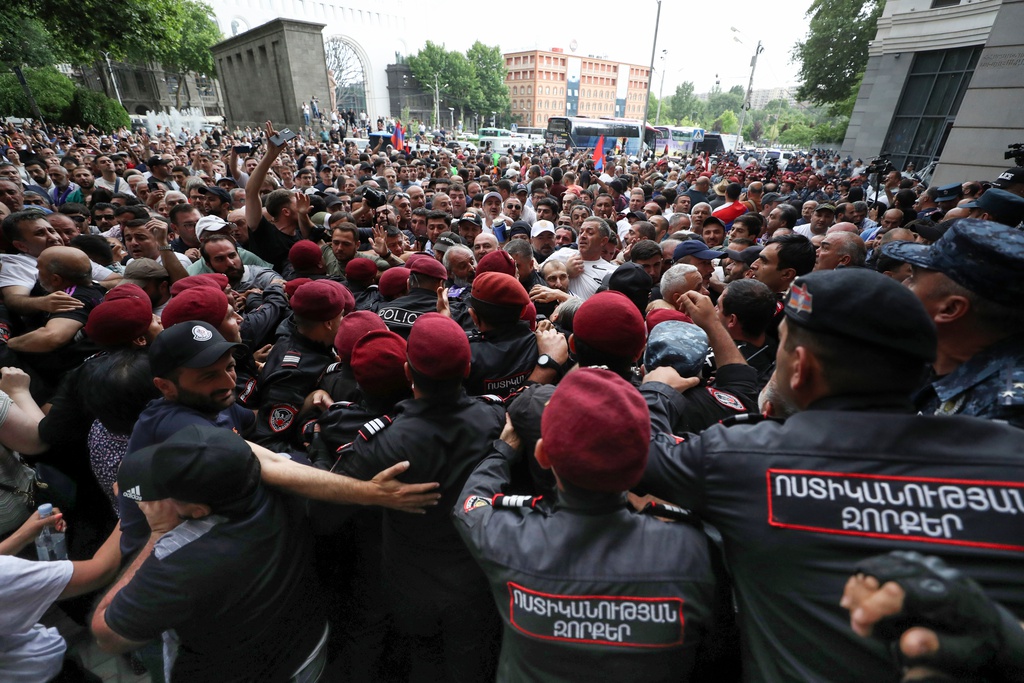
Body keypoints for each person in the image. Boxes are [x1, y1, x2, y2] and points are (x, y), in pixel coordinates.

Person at [639, 268, 1024, 682]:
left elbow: (636, 452)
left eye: (783, 344)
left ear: (800, 367)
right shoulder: (1012, 458)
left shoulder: (742, 457)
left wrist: (657, 390)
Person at [453, 368, 735, 681]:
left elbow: (470, 504)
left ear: (543, 455)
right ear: (641, 462)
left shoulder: (505, 536)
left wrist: (503, 452)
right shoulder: (697, 551)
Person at [333, 313, 506, 681]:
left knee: (422, 663)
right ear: (468, 368)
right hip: (478, 582)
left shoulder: (382, 441)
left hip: (409, 587)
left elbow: (329, 500)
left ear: (408, 372)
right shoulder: (495, 419)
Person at [92, 424, 330, 683]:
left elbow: (107, 634)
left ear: (198, 511)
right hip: (309, 648)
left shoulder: (178, 564)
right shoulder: (294, 477)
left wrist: (159, 534)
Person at [882, 218, 1024, 427]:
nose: (903, 286)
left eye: (913, 278)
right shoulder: (924, 356)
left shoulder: (1005, 411)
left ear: (950, 309)